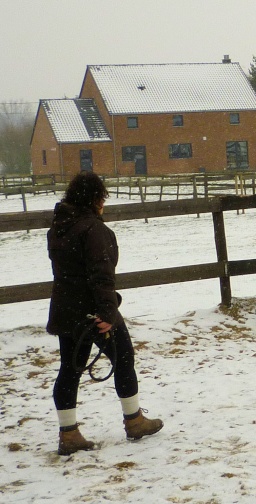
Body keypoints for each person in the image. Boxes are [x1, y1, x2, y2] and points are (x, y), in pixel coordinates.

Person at [47, 171, 163, 455]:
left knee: (69, 369)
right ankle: (134, 420)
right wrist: (107, 313)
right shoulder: (95, 230)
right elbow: (101, 276)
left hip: (66, 308)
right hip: (93, 310)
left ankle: (69, 433)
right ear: (96, 199)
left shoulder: (59, 228)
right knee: (123, 357)